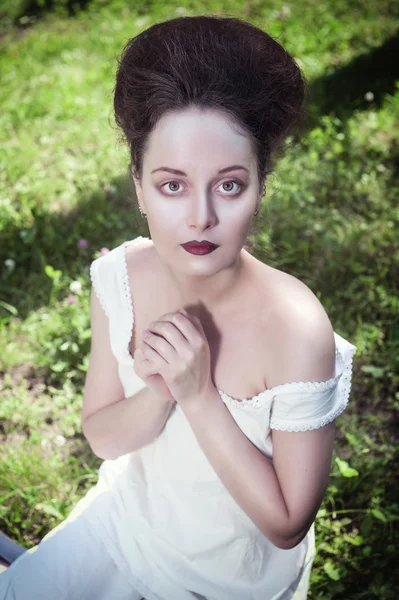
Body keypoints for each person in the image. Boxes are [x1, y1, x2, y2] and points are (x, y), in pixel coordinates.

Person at [0, 14, 358, 600]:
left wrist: (198, 393)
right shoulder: (121, 276)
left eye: (228, 185)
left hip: (227, 584)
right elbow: (102, 437)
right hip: (127, 526)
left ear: (261, 185)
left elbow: (288, 523)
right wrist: (163, 388)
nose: (200, 218)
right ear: (138, 185)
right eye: (172, 185)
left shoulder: (295, 327)